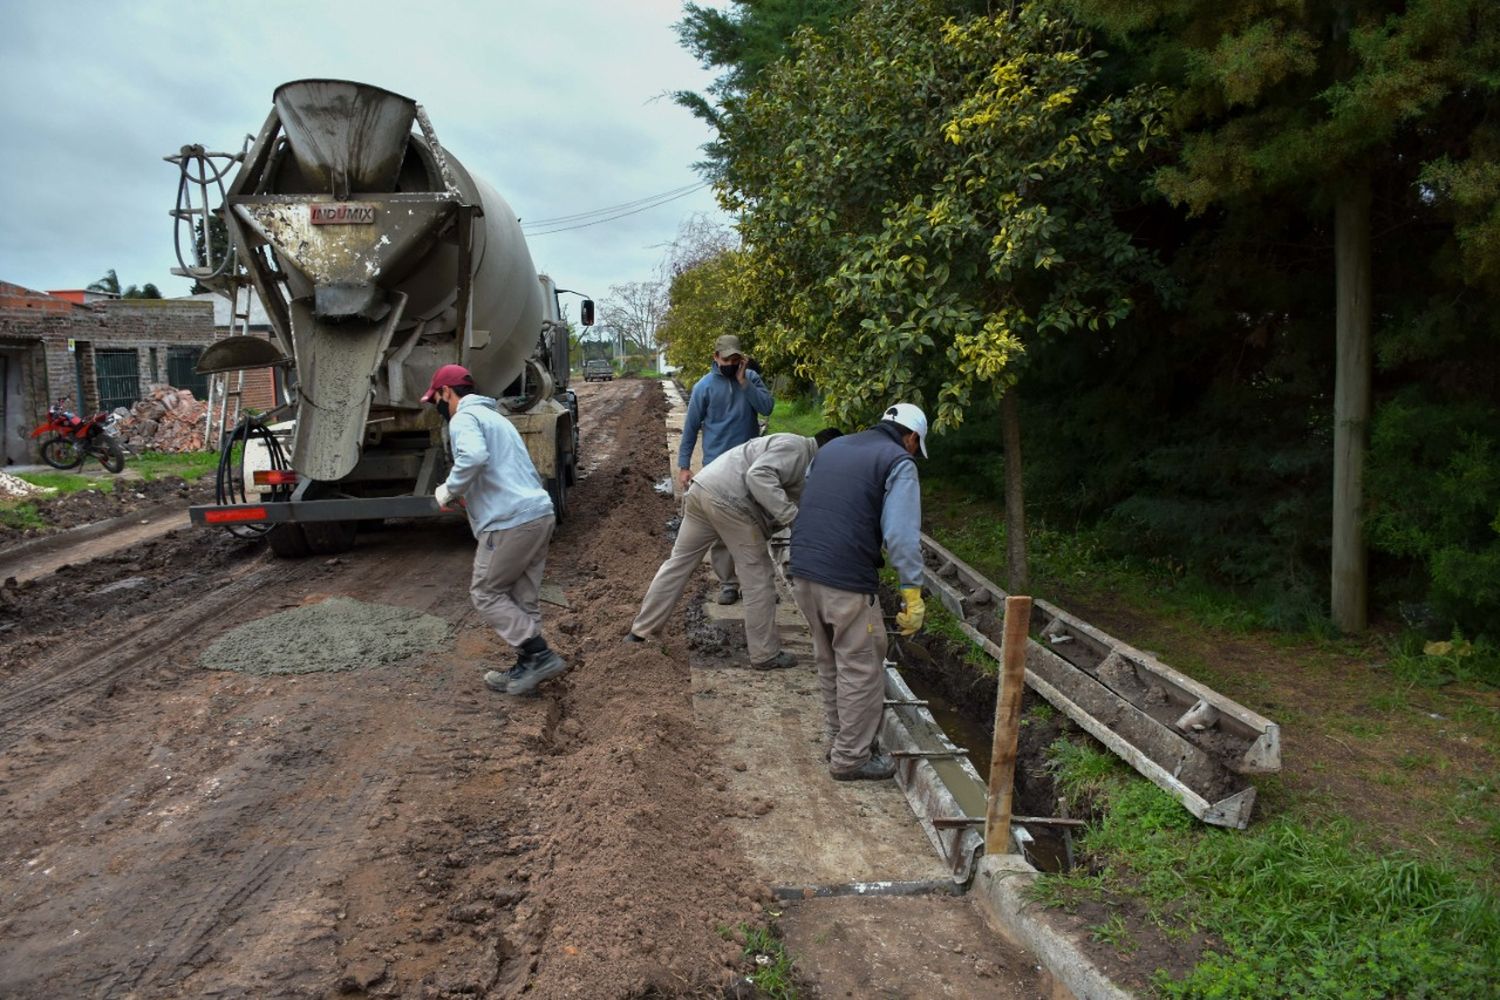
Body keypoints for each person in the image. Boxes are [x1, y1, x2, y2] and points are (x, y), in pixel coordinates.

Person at [788, 403, 930, 781]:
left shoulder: (834, 447)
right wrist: (912, 592)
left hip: (802, 566)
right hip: (844, 576)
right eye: (916, 446)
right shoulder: (899, 462)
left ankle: (840, 740)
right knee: (862, 666)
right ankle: (851, 758)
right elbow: (900, 536)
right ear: (911, 437)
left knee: (830, 658)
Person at [628, 428, 843, 667]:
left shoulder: (801, 459)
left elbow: (798, 498)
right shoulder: (796, 448)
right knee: (759, 577)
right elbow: (758, 476)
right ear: (826, 449)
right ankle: (765, 654)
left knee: (678, 564)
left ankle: (641, 631)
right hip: (728, 500)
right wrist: (793, 517)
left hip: (703, 490)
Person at [423, 363, 568, 697]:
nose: (438, 407)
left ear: (447, 392)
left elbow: (473, 457)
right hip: (538, 514)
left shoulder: (464, 418)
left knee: (486, 593)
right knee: (523, 598)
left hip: (510, 522)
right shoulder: (496, 419)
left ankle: (540, 656)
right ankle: (529, 667)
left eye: (436, 399)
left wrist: (450, 489)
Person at [677, 333, 775, 606]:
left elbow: (767, 407)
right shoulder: (704, 387)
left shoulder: (751, 380)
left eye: (736, 358)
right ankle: (728, 583)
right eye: (727, 359)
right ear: (716, 358)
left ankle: (755, 583)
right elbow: (691, 428)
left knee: (755, 524)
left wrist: (745, 382)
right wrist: (684, 466)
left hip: (751, 467)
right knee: (720, 530)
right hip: (717, 469)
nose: (731, 363)